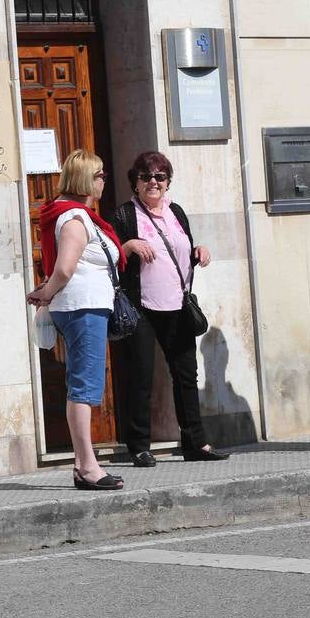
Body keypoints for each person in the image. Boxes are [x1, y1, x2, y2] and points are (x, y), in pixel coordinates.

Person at [110, 151, 228, 467]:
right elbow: (107, 258)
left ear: (168, 182)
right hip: (142, 308)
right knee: (141, 377)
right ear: (135, 182)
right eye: (146, 177)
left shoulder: (175, 211)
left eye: (160, 177)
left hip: (178, 306)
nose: (153, 182)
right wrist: (128, 246)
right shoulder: (124, 215)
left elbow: (179, 251)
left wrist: (197, 251)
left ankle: (196, 443)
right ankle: (139, 447)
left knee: (186, 375)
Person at [26, 149, 126, 491]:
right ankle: (87, 466)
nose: (103, 181)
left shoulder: (76, 216)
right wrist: (46, 292)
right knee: (84, 386)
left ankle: (85, 463)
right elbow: (65, 268)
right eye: (99, 176)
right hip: (83, 307)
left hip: (85, 306)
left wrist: (47, 290)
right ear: (85, 179)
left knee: (83, 384)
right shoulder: (74, 220)